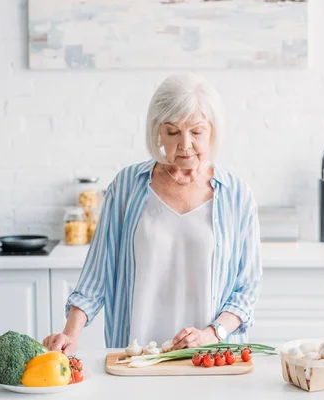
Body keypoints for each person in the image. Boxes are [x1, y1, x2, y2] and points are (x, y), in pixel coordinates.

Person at [43, 73, 262, 355]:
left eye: (196, 132)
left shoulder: (237, 195)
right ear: (157, 131)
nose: (185, 144)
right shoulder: (126, 186)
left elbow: (247, 289)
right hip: (136, 355)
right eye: (172, 132)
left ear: (213, 131)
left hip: (209, 359)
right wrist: (70, 334)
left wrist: (211, 334)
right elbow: (97, 273)